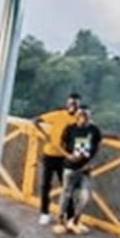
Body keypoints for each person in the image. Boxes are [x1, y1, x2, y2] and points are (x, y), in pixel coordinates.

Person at [33, 93, 81, 225]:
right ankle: (44, 213)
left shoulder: (79, 119)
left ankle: (69, 216)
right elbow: (35, 120)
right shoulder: (58, 115)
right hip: (49, 155)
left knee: (67, 187)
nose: (73, 106)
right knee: (45, 186)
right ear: (67, 104)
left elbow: (90, 132)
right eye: (71, 103)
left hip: (64, 157)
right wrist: (45, 135)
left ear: (78, 105)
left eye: (75, 104)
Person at [54, 105, 102, 236]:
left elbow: (97, 147)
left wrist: (92, 163)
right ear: (77, 116)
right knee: (66, 194)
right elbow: (60, 144)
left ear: (90, 116)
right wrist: (68, 155)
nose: (83, 117)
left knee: (85, 197)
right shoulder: (70, 128)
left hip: (85, 169)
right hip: (70, 166)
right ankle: (60, 221)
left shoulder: (94, 130)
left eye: (86, 115)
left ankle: (75, 221)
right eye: (81, 115)